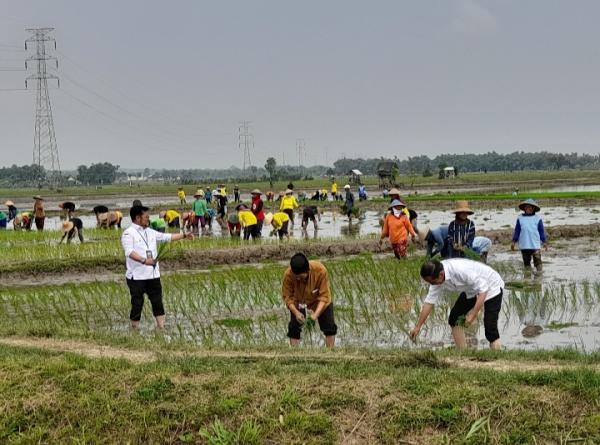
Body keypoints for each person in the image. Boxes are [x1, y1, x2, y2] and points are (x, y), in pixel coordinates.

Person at [121, 205, 193, 330]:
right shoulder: (128, 233)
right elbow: (129, 252)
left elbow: (167, 237)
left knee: (157, 301)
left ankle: (161, 328)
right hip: (136, 276)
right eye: (146, 217)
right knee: (137, 303)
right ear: (138, 218)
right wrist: (144, 260)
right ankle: (134, 330)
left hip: (153, 275)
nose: (148, 219)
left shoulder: (151, 231)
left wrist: (184, 235)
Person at [409, 259, 504, 350]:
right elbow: (429, 303)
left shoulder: (461, 271)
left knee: (490, 327)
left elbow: (483, 290)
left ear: (441, 275)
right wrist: (417, 327)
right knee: (454, 319)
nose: (431, 284)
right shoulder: (436, 276)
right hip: (471, 289)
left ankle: (498, 356)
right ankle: (463, 352)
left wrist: (472, 315)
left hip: (491, 285)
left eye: (432, 282)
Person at [282, 253, 337, 348]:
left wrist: (314, 316)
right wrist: (296, 313)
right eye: (296, 277)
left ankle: (330, 351)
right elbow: (288, 297)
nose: (298, 279)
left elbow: (324, 296)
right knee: (294, 328)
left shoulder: (320, 271)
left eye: (301, 277)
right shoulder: (288, 275)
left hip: (318, 299)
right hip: (298, 300)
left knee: (329, 326)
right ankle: (295, 353)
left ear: (307, 271)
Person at [511, 198, 547, 272]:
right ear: (524, 208)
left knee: (538, 262)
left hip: (535, 245)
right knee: (526, 263)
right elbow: (517, 231)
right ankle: (527, 278)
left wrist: (544, 242)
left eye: (530, 207)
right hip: (524, 245)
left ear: (533, 208)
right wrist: (513, 242)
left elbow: (541, 231)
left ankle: (539, 277)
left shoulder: (538, 218)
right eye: (526, 207)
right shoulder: (520, 218)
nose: (528, 208)